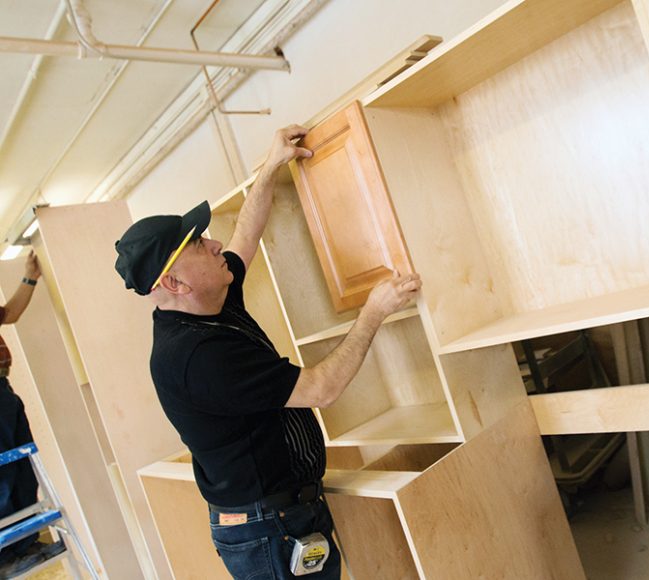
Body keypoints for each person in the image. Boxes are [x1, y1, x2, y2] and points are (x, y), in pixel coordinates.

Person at [114, 124, 421, 579]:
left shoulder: (209, 301)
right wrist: (375, 309)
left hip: (281, 518)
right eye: (198, 244)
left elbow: (245, 235)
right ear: (174, 284)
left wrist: (271, 166)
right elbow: (322, 387)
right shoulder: (199, 357)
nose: (214, 243)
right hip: (268, 530)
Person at [0, 252, 66, 577]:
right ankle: (5, 556)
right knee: (4, 475)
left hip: (3, 391)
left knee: (22, 467)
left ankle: (26, 545)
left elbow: (9, 313)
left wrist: (30, 277)